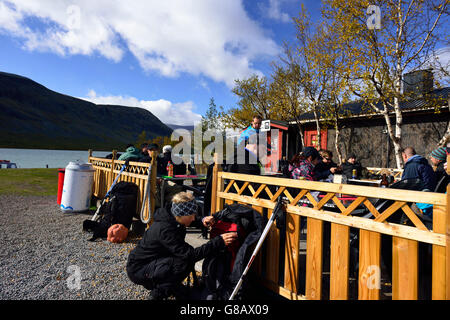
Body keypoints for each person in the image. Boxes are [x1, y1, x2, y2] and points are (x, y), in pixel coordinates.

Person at [126, 192, 237, 300]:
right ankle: (158, 293)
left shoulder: (172, 215)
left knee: (182, 261)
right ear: (181, 215)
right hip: (139, 268)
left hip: (153, 260)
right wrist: (218, 241)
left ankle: (170, 286)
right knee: (183, 263)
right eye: (192, 215)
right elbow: (191, 255)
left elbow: (187, 219)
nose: (194, 218)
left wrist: (202, 220)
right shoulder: (165, 230)